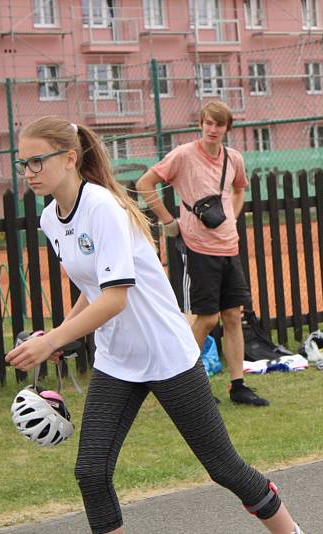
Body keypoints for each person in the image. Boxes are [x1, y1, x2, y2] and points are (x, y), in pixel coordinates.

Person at [5, 116, 303, 534]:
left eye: (37, 161)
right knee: (91, 473)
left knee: (223, 467)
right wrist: (58, 337)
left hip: (167, 354)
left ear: (70, 158)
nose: (28, 173)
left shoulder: (102, 208)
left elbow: (115, 297)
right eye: (23, 164)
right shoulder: (51, 219)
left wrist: (54, 338)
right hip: (118, 359)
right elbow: (92, 286)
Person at [136, 101, 269, 406]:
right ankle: (190, 386)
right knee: (206, 318)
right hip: (197, 247)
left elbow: (239, 190)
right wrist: (169, 221)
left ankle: (238, 386)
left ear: (226, 128)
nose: (212, 129)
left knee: (234, 315)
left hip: (228, 246)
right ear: (200, 124)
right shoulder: (183, 155)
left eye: (218, 125)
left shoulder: (234, 158)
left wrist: (231, 217)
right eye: (208, 123)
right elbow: (145, 184)